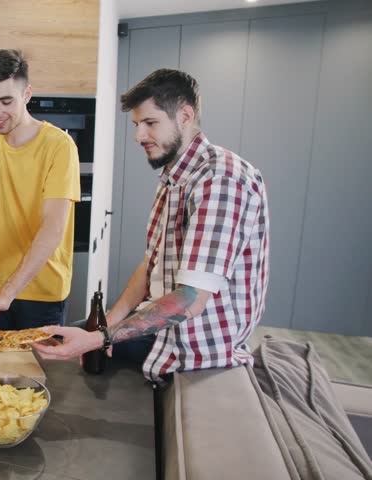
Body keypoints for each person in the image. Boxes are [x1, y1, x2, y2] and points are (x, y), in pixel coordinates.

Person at [34, 69, 271, 383]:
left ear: (185, 115)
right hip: (165, 335)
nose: (138, 136)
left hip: (193, 351)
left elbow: (189, 299)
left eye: (150, 123)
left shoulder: (220, 180)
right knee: (46, 342)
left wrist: (99, 339)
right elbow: (150, 265)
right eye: (136, 125)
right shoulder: (173, 178)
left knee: (59, 363)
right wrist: (104, 326)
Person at [0, 49, 80, 331]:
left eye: (6, 101)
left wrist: (7, 293)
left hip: (42, 295)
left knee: (36, 374)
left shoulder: (59, 147)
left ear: (27, 94)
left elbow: (53, 228)